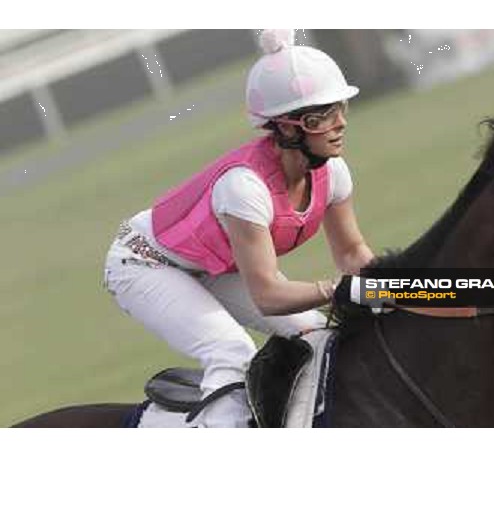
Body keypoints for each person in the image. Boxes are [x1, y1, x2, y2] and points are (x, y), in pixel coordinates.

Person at [103, 29, 374, 427]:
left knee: (315, 331)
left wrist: (390, 287)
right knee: (229, 350)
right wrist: (338, 290)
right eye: (321, 117)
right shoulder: (244, 187)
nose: (338, 125)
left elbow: (352, 254)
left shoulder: (333, 173)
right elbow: (267, 295)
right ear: (285, 128)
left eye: (340, 110)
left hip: (210, 264)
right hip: (145, 262)